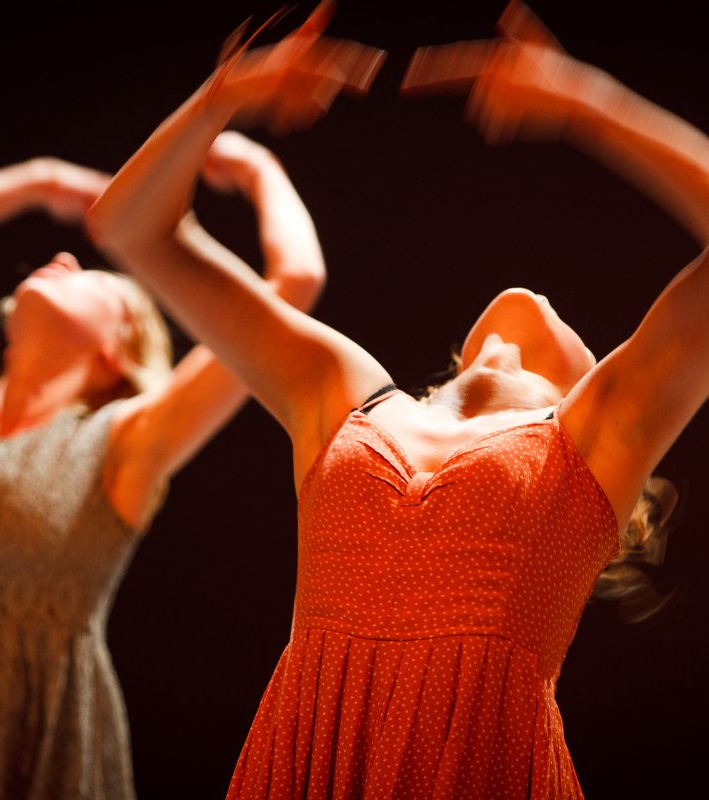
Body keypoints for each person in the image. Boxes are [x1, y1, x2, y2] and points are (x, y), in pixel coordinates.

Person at [87, 1, 706, 797]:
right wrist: (221, 98)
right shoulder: (347, 396)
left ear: (589, 380)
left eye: (571, 330)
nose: (527, 306)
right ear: (451, 364)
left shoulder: (593, 436)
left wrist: (593, 105)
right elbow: (133, 229)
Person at [0, 140, 326, 799]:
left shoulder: (123, 442)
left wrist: (257, 169)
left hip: (37, 759)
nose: (65, 256)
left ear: (115, 349)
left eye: (90, 276)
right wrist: (35, 177)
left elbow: (293, 283)